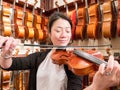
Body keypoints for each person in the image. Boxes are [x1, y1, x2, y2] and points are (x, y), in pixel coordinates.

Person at [0, 12, 120, 90]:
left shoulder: (74, 62)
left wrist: (96, 86)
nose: (64, 35)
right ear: (50, 33)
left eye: (67, 31)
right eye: (58, 30)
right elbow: (9, 65)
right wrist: (6, 55)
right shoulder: (38, 57)